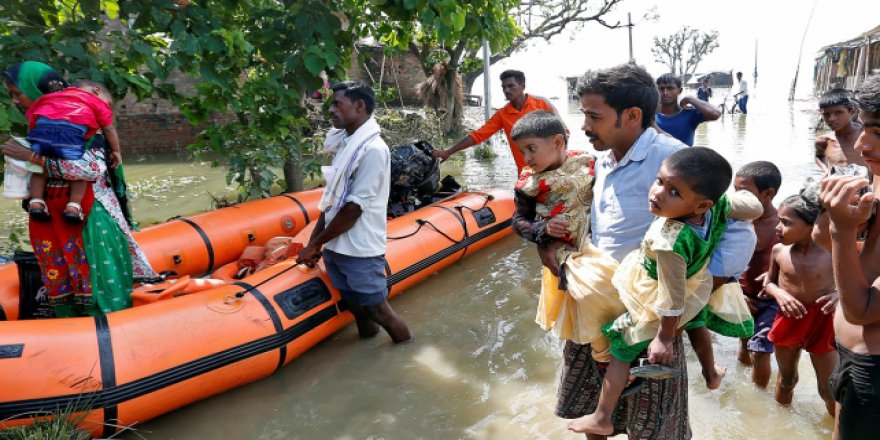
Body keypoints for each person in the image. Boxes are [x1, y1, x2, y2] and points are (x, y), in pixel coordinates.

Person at [548, 63, 690, 439]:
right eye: (584, 114)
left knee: (654, 425)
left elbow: (710, 231)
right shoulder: (599, 159)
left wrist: (672, 323)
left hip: (646, 314)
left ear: (632, 116)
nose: (584, 125)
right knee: (590, 415)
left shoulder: (672, 160)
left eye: (594, 116)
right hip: (594, 304)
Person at [569, 148, 739, 435]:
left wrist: (663, 338)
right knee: (696, 322)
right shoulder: (718, 206)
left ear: (701, 205)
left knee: (621, 348)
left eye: (674, 192)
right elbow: (750, 207)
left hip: (660, 293)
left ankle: (602, 417)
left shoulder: (668, 240)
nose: (658, 193)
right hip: (696, 285)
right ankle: (711, 374)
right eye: (659, 181)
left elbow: (671, 296)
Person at [2, 61, 159, 316]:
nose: (15, 101)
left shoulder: (79, 121)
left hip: (88, 219)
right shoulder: (40, 125)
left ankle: (109, 334)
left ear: (35, 89)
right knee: (64, 289)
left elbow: (89, 169)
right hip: (52, 218)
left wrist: (29, 157)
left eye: (17, 93)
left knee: (100, 290)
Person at [297, 80, 411, 343]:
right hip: (336, 246)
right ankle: (368, 345)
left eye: (338, 104)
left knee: (378, 310)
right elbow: (331, 200)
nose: (331, 110)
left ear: (359, 106)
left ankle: (406, 348)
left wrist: (315, 244)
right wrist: (315, 242)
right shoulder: (345, 144)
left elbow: (352, 208)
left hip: (360, 249)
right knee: (356, 307)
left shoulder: (373, 150)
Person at [510, 110, 625, 357]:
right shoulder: (528, 184)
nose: (526, 158)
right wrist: (542, 229)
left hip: (594, 241)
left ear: (558, 142)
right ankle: (603, 356)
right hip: (563, 251)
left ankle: (618, 345)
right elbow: (518, 221)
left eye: (531, 149)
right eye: (522, 152)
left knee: (610, 292)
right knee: (589, 295)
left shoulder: (588, 163)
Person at [820, 72, 880, 440]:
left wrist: (841, 229)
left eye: (878, 133)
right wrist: (836, 215)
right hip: (851, 356)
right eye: (865, 128)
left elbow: (863, 309)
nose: (861, 143)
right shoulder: (875, 178)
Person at [763, 190, 838, 415]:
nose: (778, 228)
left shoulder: (833, 251)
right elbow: (768, 282)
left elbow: (858, 282)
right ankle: (780, 424)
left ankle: (839, 429)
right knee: (786, 379)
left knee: (828, 389)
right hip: (789, 317)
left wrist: (838, 296)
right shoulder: (779, 251)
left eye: (786, 223)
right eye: (779, 220)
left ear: (813, 225)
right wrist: (779, 293)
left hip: (824, 319)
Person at [25, 79, 122, 224]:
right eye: (108, 103)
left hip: (41, 135)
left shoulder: (49, 97)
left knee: (39, 170)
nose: (107, 108)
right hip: (69, 139)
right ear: (97, 90)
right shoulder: (97, 102)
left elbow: (33, 118)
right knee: (80, 173)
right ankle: (73, 207)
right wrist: (116, 151)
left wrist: (33, 144)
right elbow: (109, 129)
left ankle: (36, 203)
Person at [431, 70, 562, 173]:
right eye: (503, 87)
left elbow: (563, 134)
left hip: (553, 170)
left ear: (522, 86)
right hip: (526, 174)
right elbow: (478, 136)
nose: (506, 90)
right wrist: (448, 152)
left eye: (511, 86)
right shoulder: (502, 115)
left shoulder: (542, 103)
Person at [733, 161, 782, 388]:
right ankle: (744, 394)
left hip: (772, 299)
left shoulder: (785, 223)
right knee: (745, 346)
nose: (737, 197)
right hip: (742, 294)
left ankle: (759, 397)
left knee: (760, 351)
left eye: (743, 191)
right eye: (735, 190)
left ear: (768, 194)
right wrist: (736, 293)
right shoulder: (734, 220)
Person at [655, 73, 721, 146]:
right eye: (661, 89)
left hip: (684, 153)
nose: (665, 92)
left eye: (670, 88)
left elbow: (716, 114)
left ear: (680, 91)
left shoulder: (689, 113)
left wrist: (690, 99)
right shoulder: (650, 115)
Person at [814, 88, 865, 172]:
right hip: (837, 180)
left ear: (852, 112)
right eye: (826, 114)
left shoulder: (865, 135)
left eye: (838, 113)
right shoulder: (823, 141)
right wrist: (826, 170)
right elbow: (819, 156)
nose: (831, 119)